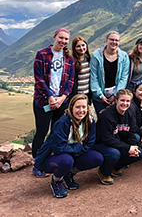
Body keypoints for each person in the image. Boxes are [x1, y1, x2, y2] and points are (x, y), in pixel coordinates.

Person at [34, 94, 103, 198]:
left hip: (71, 153)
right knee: (67, 160)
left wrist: (78, 150)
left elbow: (90, 142)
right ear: (71, 108)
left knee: (97, 158)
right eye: (78, 107)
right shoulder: (63, 122)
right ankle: (57, 181)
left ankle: (69, 173)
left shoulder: (90, 121)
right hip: (53, 158)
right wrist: (78, 148)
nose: (81, 110)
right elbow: (58, 148)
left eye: (84, 107)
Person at [32, 28, 75, 177]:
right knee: (42, 132)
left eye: (66, 39)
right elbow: (39, 78)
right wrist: (50, 97)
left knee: (56, 132)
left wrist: (63, 98)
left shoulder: (69, 58)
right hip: (43, 101)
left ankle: (51, 160)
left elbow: (70, 80)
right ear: (54, 37)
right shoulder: (42, 54)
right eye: (60, 38)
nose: (63, 41)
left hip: (61, 102)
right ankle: (37, 163)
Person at [93, 89, 142, 185]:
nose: (125, 103)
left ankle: (115, 167)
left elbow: (131, 133)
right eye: (122, 100)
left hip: (117, 140)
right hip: (101, 143)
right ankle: (103, 172)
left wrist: (134, 147)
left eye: (128, 101)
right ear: (116, 101)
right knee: (114, 153)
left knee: (139, 152)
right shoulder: (106, 115)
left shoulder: (129, 113)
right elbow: (106, 138)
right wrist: (127, 147)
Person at [90, 31, 130, 114]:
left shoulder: (124, 56)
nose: (114, 42)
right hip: (99, 97)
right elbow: (94, 77)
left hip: (116, 96)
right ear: (106, 40)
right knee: (102, 118)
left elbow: (124, 77)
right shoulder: (96, 56)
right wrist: (100, 96)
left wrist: (116, 95)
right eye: (111, 39)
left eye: (116, 40)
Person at [71, 36, 92, 101]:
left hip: (87, 95)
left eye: (83, 45)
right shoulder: (72, 62)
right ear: (74, 48)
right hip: (76, 95)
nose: (81, 48)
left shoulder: (89, 60)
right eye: (78, 46)